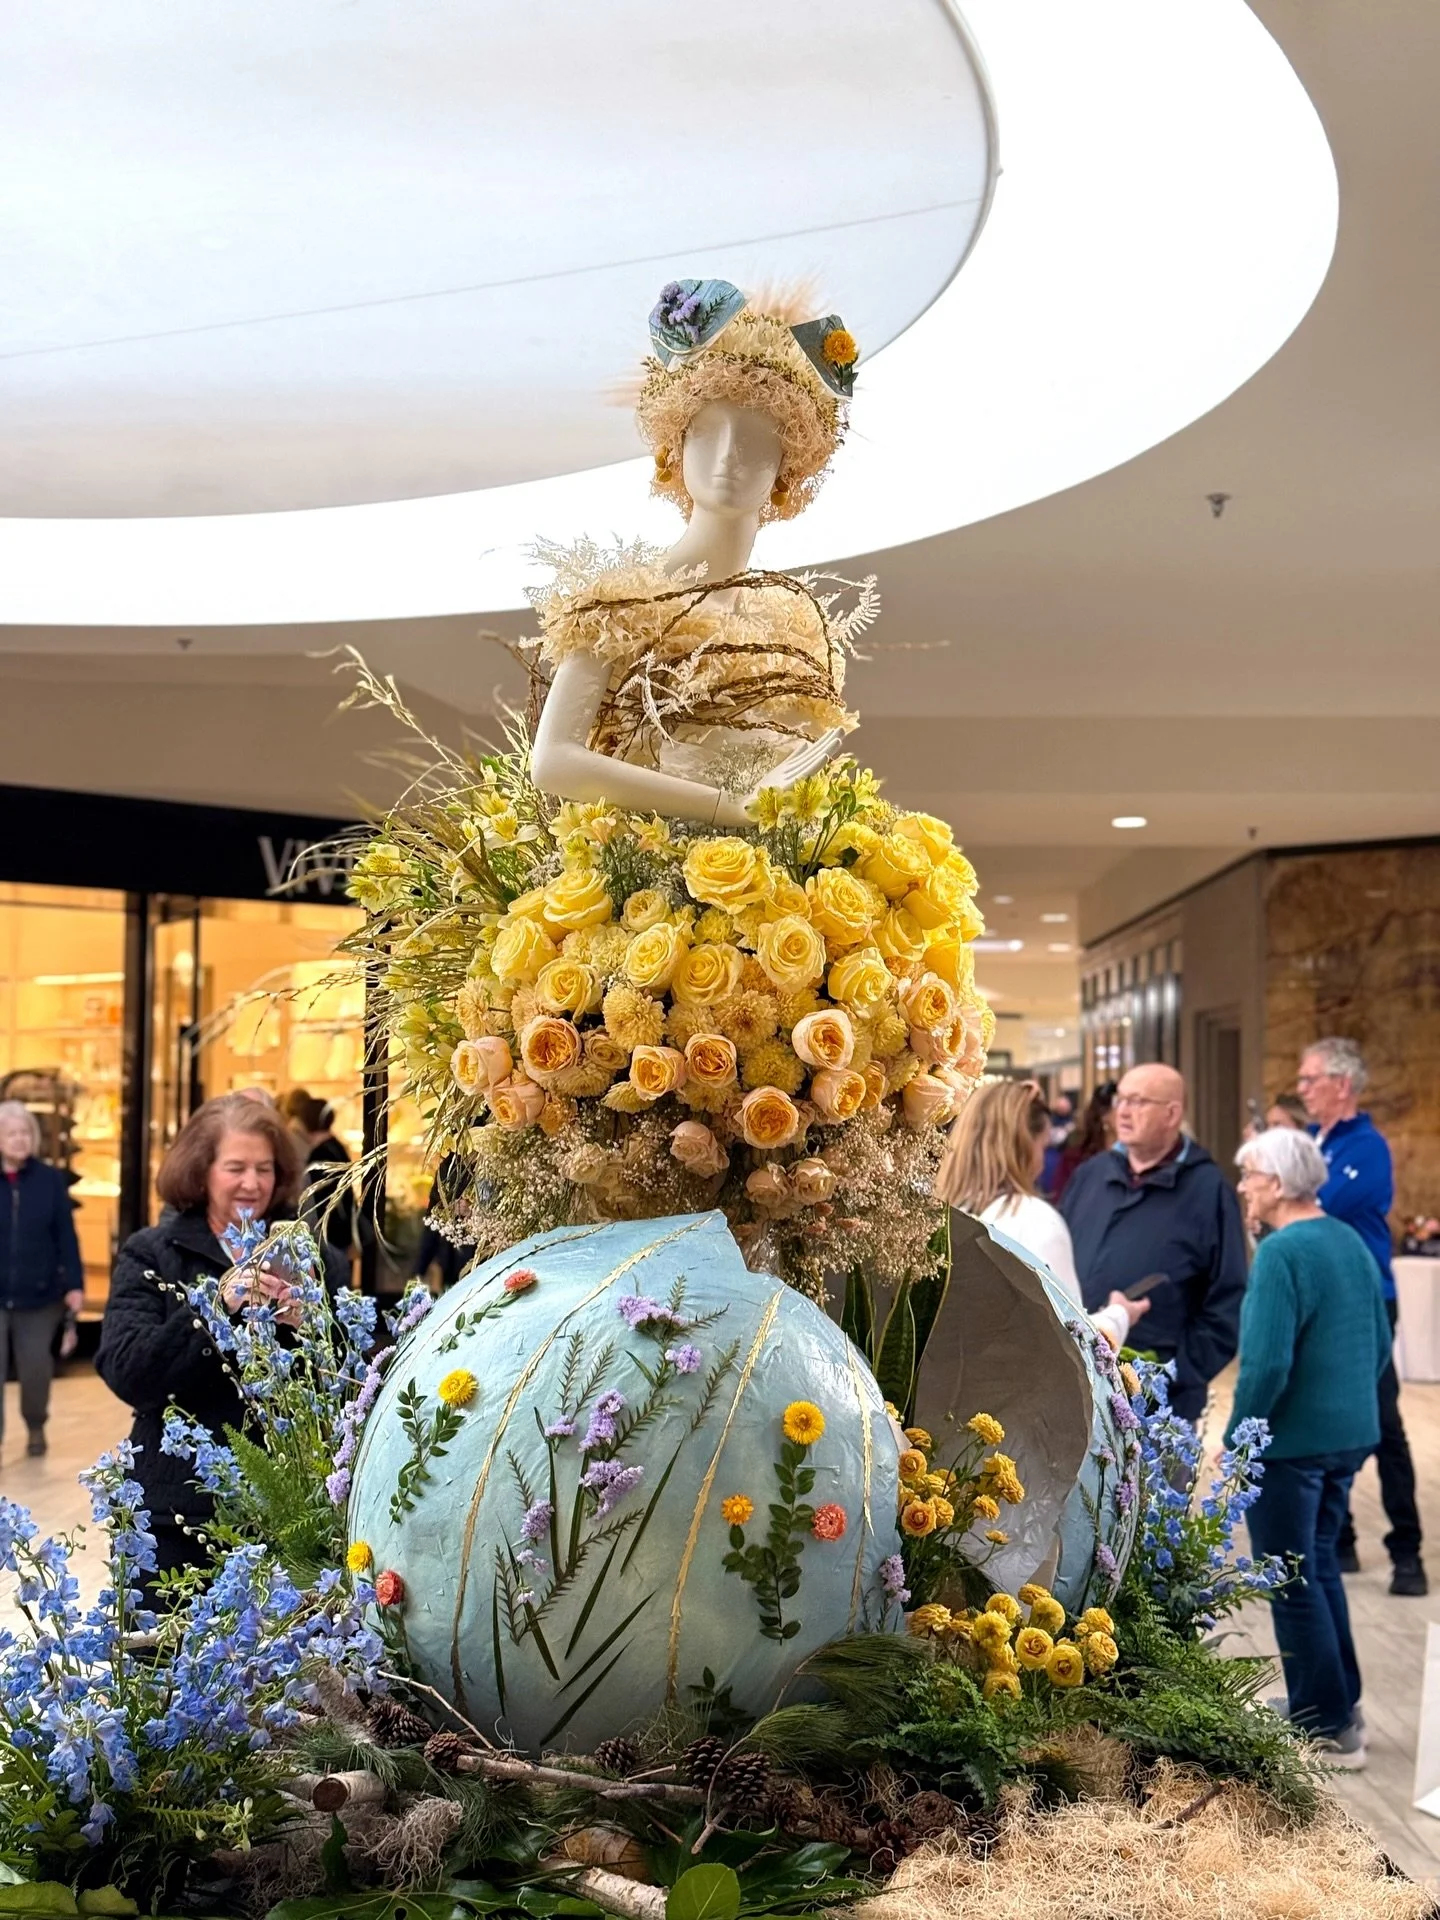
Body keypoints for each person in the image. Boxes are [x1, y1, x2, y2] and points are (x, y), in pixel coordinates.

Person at [96, 1093, 348, 1590]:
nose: (252, 1183)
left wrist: (316, 1332)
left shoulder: (317, 1259)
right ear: (201, 1170)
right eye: (235, 1167)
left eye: (265, 1168)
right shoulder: (153, 1253)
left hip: (290, 1516)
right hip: (177, 1517)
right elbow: (128, 1370)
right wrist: (215, 1308)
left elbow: (347, 1387)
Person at [1229, 1127, 1391, 1765]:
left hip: (1293, 1443)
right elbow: (1380, 1344)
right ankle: (1333, 1702)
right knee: (1319, 1566)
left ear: (1275, 1184)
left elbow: (1265, 1364)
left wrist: (1240, 1438)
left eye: (1248, 1176)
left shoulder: (1281, 1253)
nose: (1241, 1187)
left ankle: (1325, 1725)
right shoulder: (1347, 1238)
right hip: (1348, 1437)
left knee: (1290, 1577)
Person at [1296, 1036, 1424, 1595]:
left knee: (1384, 1423)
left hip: (1367, 1301)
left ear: (1341, 1085)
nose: (1301, 1090)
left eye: (1310, 1080)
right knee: (1322, 1419)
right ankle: (1338, 1540)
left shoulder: (1367, 1146)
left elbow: (1319, 1207)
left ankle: (1407, 1552)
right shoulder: (1308, 1139)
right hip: (1316, 1297)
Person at [1060, 1064, 1247, 1424]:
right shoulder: (1092, 1175)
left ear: (1172, 1113)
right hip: (1079, 1386)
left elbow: (1228, 1299)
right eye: (1121, 1100)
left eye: (1138, 1101)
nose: (1124, 1112)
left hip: (1160, 1405)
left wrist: (1176, 1374)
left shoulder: (1208, 1190)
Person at [936, 1080, 1148, 1350]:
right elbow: (1075, 1346)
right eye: (1043, 1147)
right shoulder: (1033, 1220)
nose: (1041, 1161)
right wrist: (1118, 1315)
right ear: (1025, 1145)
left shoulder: (938, 1216)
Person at [0, 1099, 84, 1457]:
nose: (19, 1140)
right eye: (11, 1133)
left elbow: (66, 1234)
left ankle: (36, 1425)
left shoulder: (49, 1180)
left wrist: (76, 1285)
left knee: (36, 1369)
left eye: (24, 1133)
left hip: (40, 1296)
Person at [282, 1090, 357, 1261]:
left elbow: (317, 1201)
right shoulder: (336, 1147)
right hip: (341, 1230)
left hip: (330, 1234)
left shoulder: (320, 1155)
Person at [1050, 1081, 1117, 1202]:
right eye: (1120, 1104)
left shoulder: (1143, 1159)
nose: (1129, 1112)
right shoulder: (1075, 1159)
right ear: (1104, 1115)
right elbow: (1062, 1201)